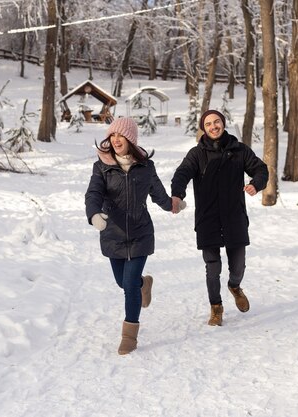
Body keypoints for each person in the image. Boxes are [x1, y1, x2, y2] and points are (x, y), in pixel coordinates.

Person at [85, 117, 182, 355]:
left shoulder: (145, 167)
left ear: (131, 140)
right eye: (113, 136)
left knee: (128, 284)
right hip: (112, 234)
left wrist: (173, 204)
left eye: (121, 136)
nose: (116, 140)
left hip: (140, 233)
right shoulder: (102, 166)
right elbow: (93, 193)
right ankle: (144, 284)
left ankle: (129, 335)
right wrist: (94, 214)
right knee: (123, 282)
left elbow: (158, 194)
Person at [170, 109, 268, 326]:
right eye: (208, 124)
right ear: (203, 128)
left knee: (238, 266)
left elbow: (261, 169)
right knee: (212, 266)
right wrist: (177, 194)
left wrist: (256, 184)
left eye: (217, 122)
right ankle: (216, 307)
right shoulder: (197, 154)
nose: (213, 126)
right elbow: (182, 173)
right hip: (208, 218)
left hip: (234, 216)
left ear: (223, 124)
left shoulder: (239, 150)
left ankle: (235, 286)